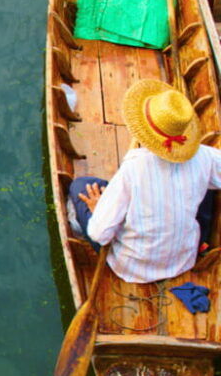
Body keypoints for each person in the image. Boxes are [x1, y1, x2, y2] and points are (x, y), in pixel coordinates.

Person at [68, 79, 221, 284]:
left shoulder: (133, 167)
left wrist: (97, 209)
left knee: (80, 185)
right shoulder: (205, 157)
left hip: (131, 267)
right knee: (207, 186)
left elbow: (99, 234)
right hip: (183, 260)